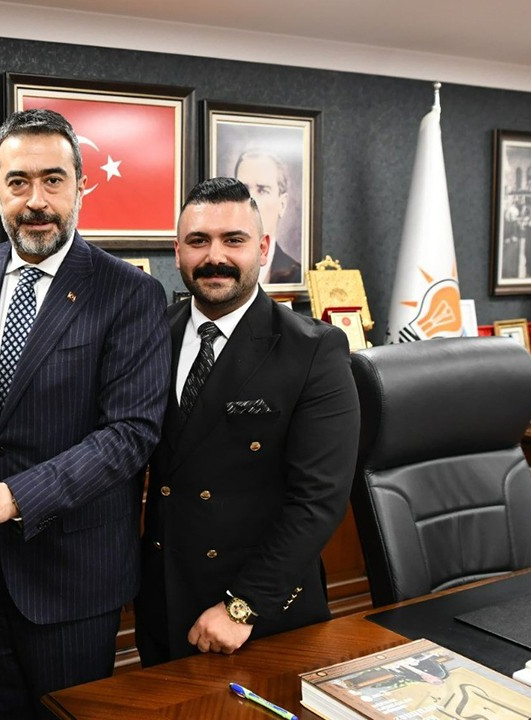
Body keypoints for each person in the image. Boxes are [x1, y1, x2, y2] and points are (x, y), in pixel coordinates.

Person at [0, 108, 170, 718]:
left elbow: (130, 434)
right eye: (19, 182)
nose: (36, 201)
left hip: (72, 568)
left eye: (53, 180)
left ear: (81, 187)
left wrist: (16, 496)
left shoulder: (129, 292)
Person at [134, 176, 359, 666]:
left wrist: (243, 606)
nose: (215, 256)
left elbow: (318, 500)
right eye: (198, 241)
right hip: (163, 599)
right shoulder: (152, 335)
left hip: (262, 612)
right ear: (178, 252)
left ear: (262, 247)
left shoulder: (313, 350)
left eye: (233, 240)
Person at [234, 149, 303, 285]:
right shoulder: (215, 266)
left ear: (282, 205)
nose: (251, 200)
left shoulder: (296, 276)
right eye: (243, 190)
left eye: (262, 190)